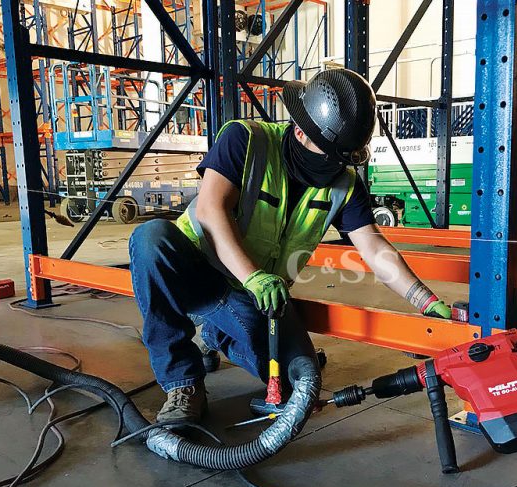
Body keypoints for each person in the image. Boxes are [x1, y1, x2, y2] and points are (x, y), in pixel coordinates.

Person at [129, 68, 452, 424]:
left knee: (296, 383)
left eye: (346, 158)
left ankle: (219, 335)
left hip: (259, 296)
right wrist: (253, 276)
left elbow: (373, 247)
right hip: (197, 272)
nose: (337, 166)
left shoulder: (343, 184)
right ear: (300, 132)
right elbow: (210, 208)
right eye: (331, 155)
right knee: (150, 239)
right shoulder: (246, 140)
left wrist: (425, 300)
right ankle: (182, 382)